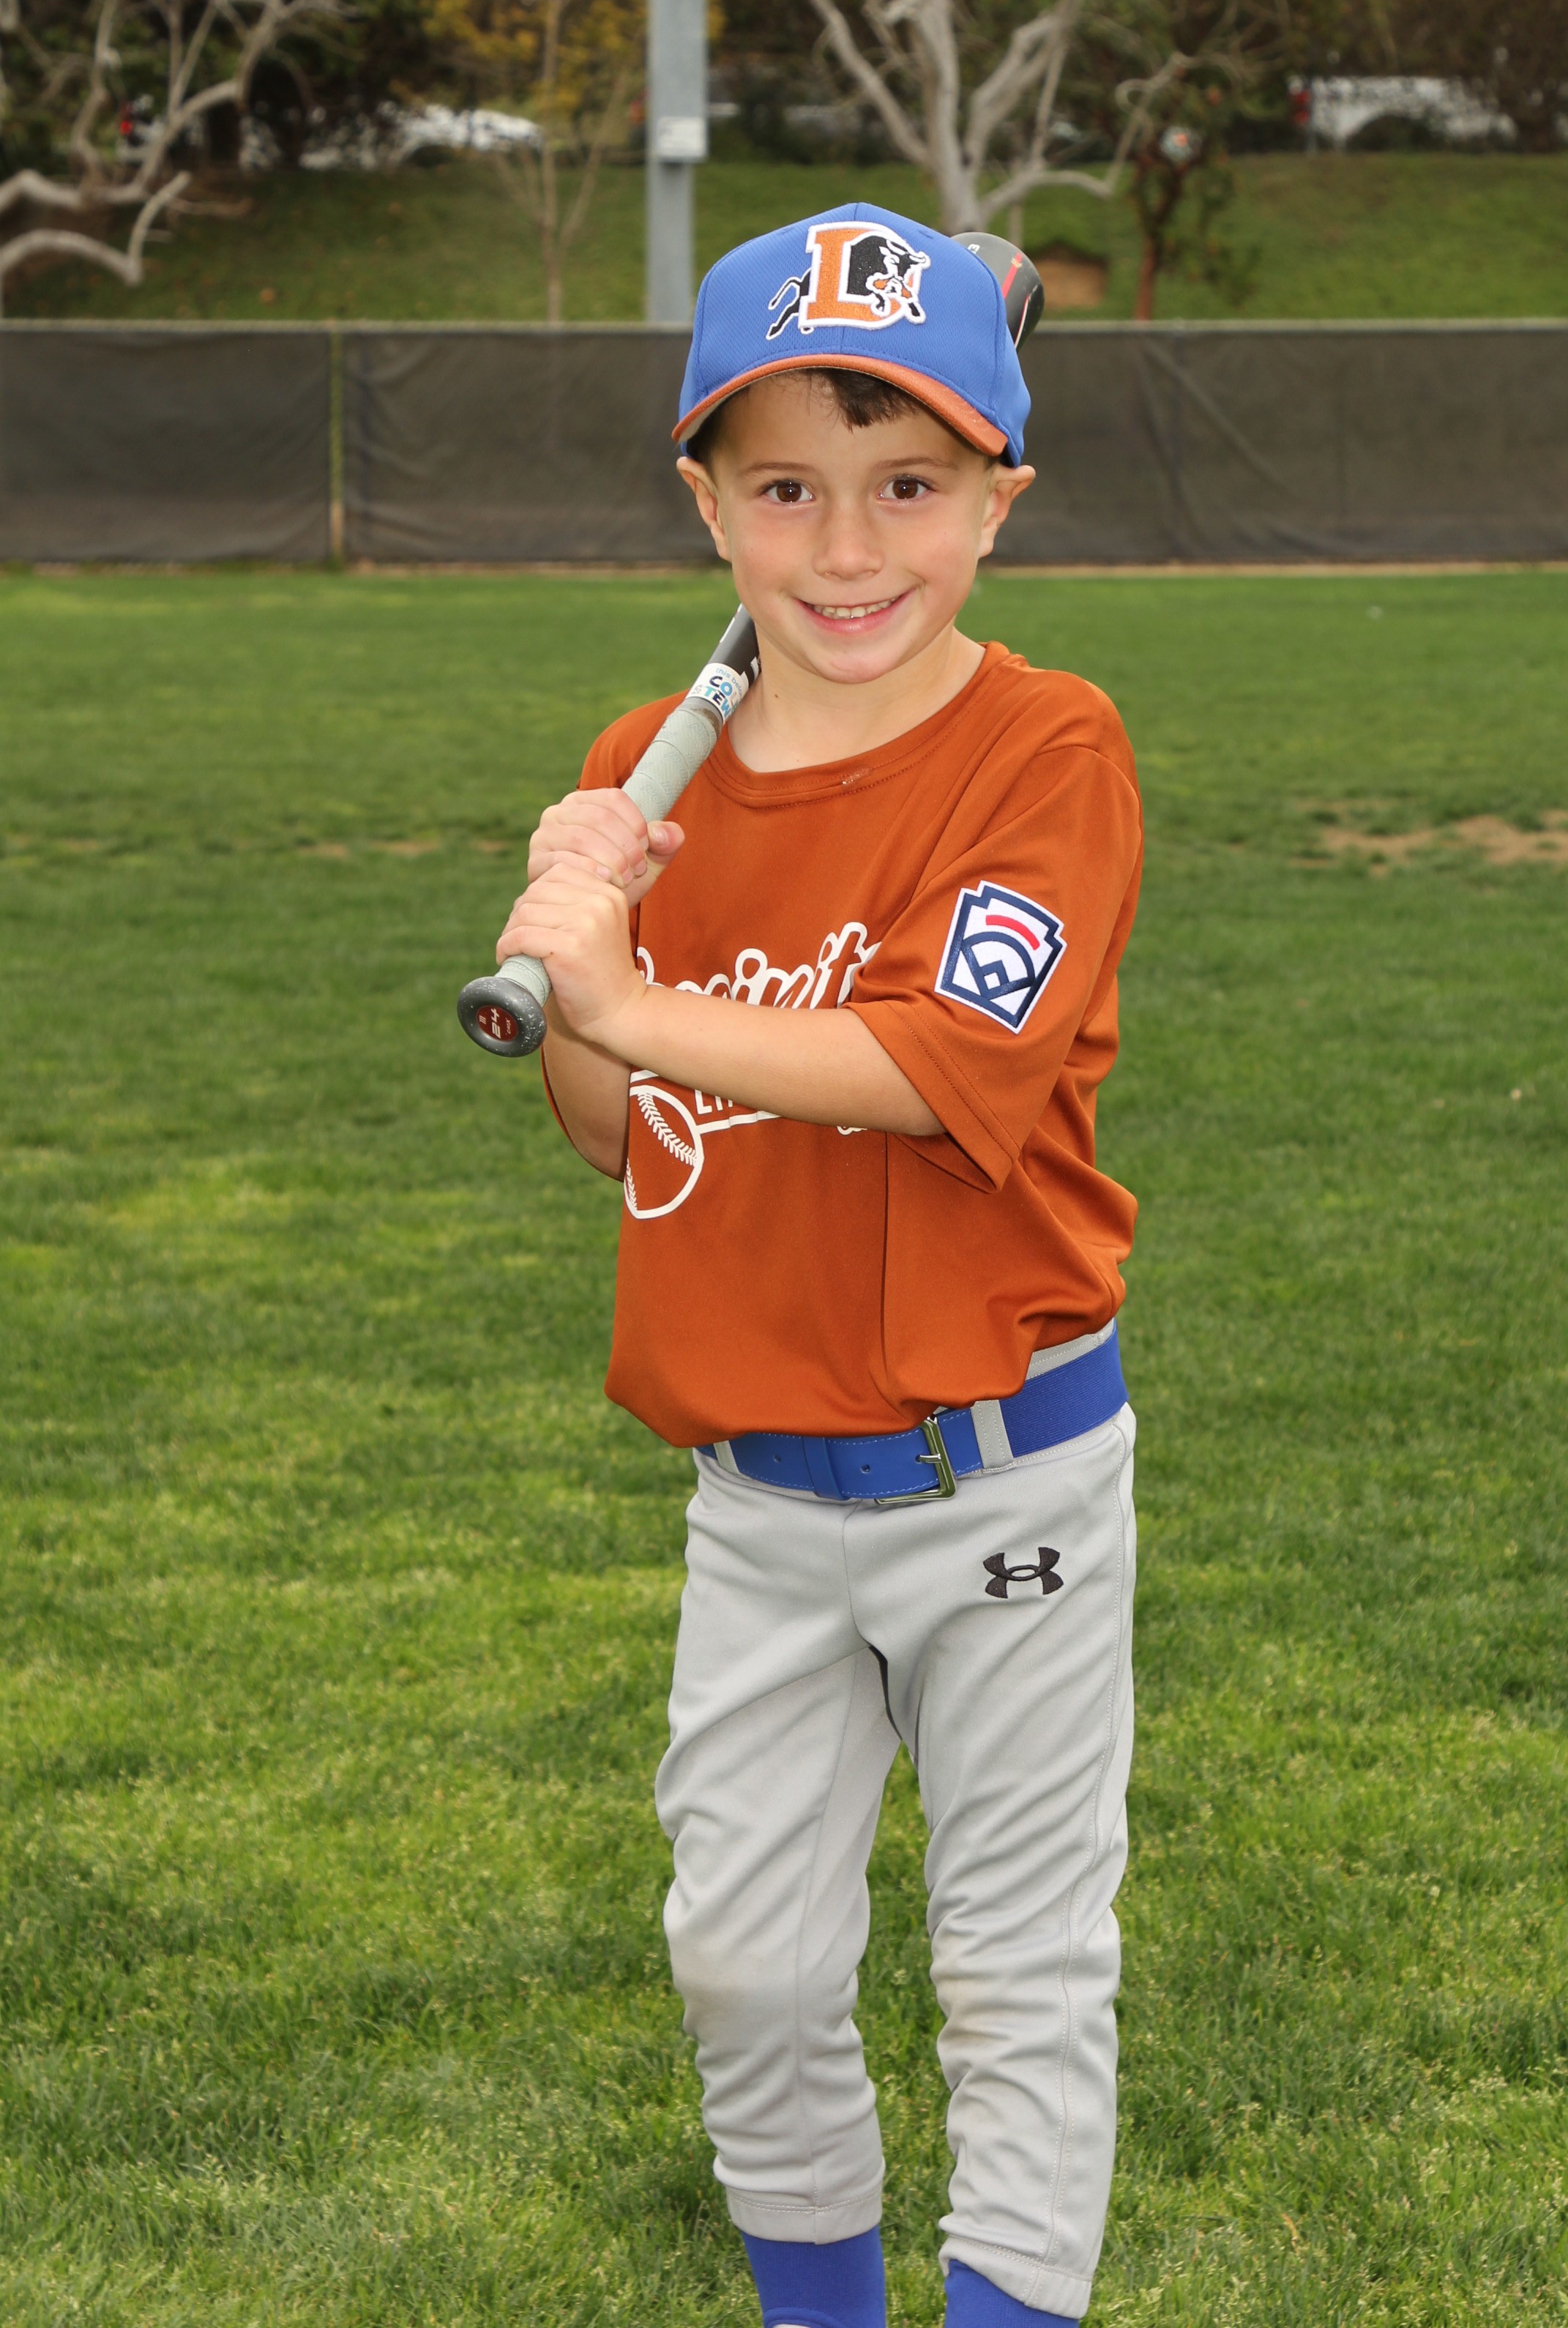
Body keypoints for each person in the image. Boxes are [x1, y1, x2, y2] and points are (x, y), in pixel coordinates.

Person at [496, 205, 1144, 2328]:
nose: (849, 549)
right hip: (761, 1496)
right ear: (707, 504)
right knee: (746, 1963)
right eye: (785, 490)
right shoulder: (645, 771)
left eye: (909, 487)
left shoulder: (1047, 750)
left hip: (1007, 1476)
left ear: (998, 501)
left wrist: (636, 994)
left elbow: (945, 1066)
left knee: (1016, 1966)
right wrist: (580, 950)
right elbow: (624, 1136)